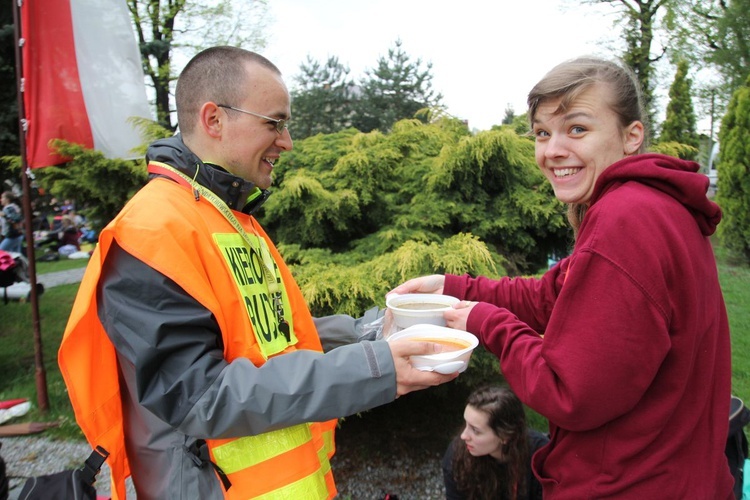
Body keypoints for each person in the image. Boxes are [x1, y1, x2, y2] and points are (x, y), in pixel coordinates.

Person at [58, 46, 457, 500]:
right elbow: (198, 394)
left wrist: (373, 331)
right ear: (214, 119)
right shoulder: (152, 231)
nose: (286, 142)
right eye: (274, 123)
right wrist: (378, 367)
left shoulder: (229, 217)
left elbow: (269, 343)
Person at [391, 56, 733, 498]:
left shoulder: (624, 219)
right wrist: (454, 288)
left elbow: (569, 393)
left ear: (631, 136)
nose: (551, 150)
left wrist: (486, 322)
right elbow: (555, 296)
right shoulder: (652, 206)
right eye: (541, 133)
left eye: (577, 129)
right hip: (684, 476)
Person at [442, 385, 547, 500]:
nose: (463, 436)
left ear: (505, 435)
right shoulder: (457, 456)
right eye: (466, 424)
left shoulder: (541, 456)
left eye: (475, 430)